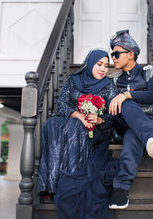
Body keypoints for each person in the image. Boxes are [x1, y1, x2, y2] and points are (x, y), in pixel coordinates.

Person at [37, 49, 119, 218]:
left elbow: (113, 115)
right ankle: (53, 184)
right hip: (74, 122)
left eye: (106, 66)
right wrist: (79, 115)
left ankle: (67, 183)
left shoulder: (109, 85)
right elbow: (62, 105)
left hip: (96, 131)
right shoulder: (73, 80)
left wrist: (99, 119)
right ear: (90, 64)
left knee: (76, 128)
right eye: (99, 64)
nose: (103, 69)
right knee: (52, 124)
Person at [107, 29, 153, 209]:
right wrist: (124, 97)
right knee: (124, 103)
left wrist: (127, 94)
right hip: (124, 122)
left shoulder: (149, 71)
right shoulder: (113, 80)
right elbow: (112, 106)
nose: (113, 57)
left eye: (117, 53)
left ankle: (120, 189)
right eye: (112, 54)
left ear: (131, 54)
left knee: (132, 135)